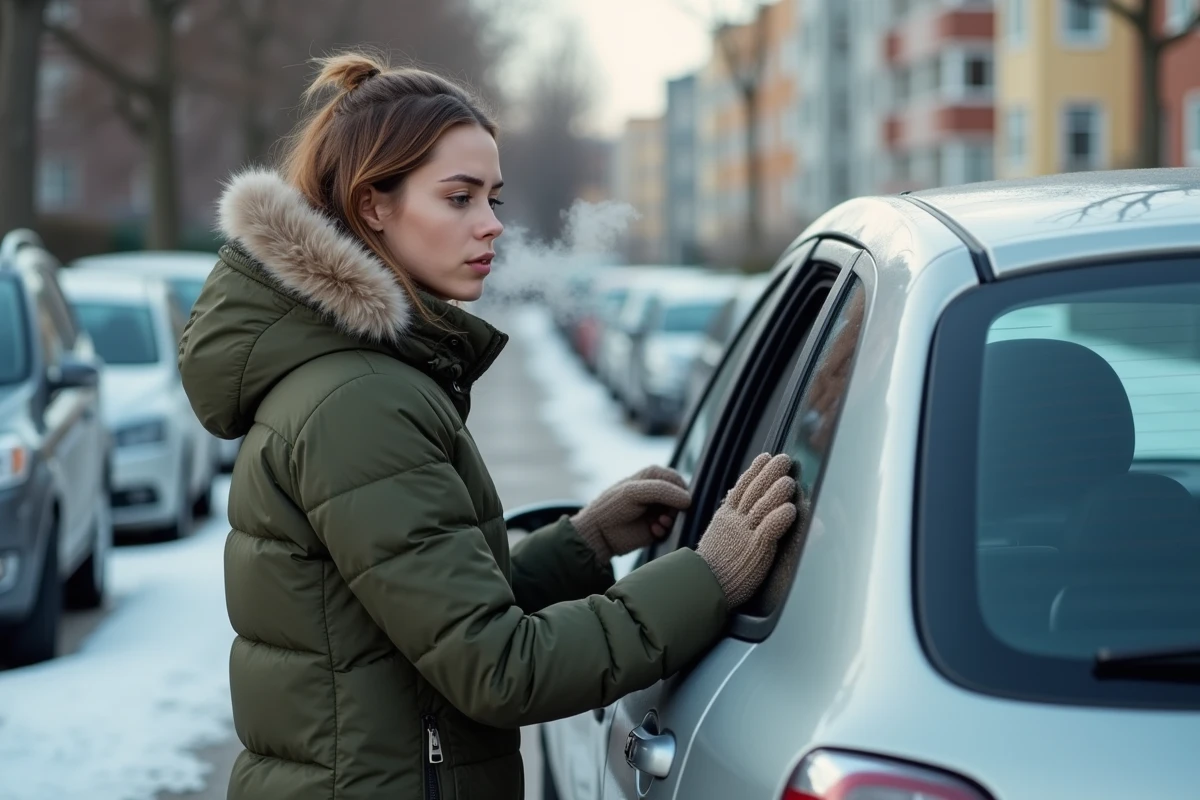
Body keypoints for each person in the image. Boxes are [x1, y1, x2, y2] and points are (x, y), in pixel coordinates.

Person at [178, 51, 799, 800]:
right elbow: (498, 668)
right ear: (374, 204)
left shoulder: (359, 376)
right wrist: (708, 577)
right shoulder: (359, 400)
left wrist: (584, 544)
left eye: (494, 199)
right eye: (460, 198)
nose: (491, 226)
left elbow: (419, 625)